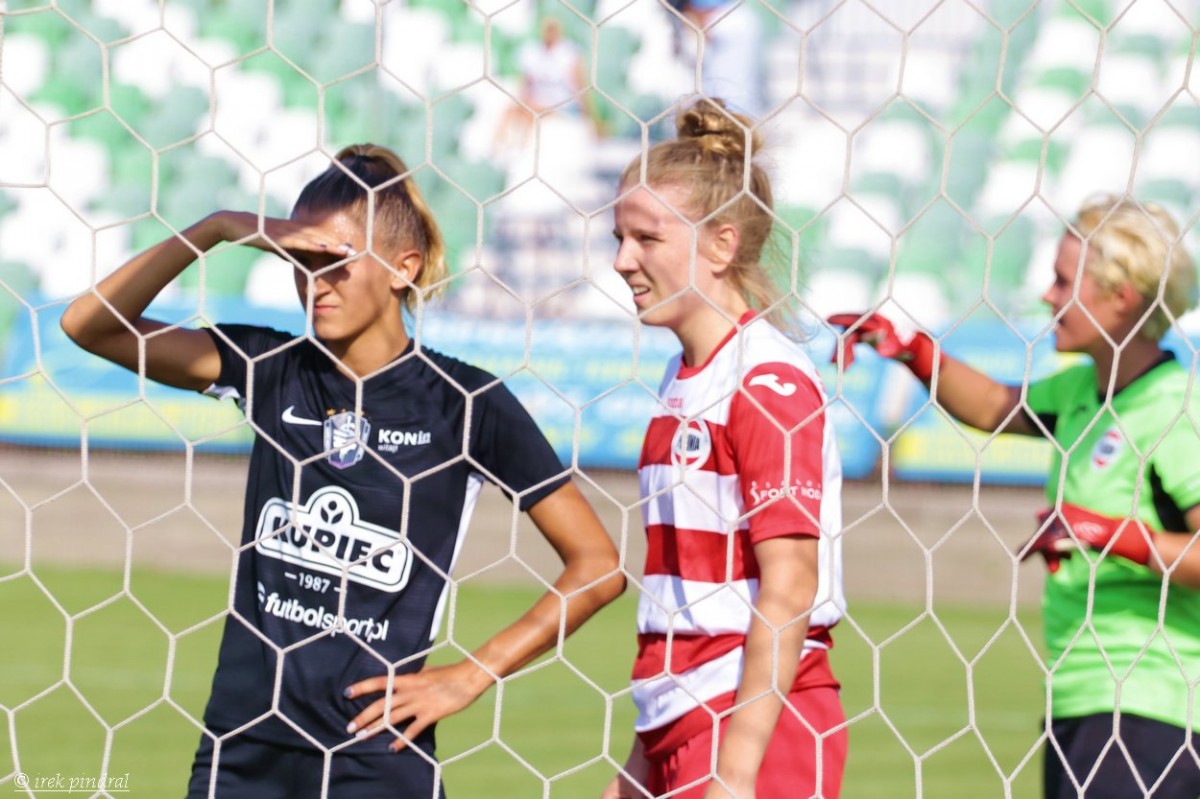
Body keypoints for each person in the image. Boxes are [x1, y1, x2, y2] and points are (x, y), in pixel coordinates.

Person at [60, 143, 625, 798]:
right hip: (243, 748)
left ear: (402, 268)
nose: (315, 282)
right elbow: (88, 325)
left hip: (375, 755)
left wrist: (471, 675)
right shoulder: (270, 368)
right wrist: (216, 228)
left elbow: (598, 566)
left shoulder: (464, 402)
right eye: (301, 260)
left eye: (335, 262)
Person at [830, 195, 1200, 799]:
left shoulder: (1177, 411)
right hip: (1080, 695)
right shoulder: (1082, 391)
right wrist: (913, 350)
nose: (1048, 297)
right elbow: (992, 406)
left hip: (1154, 699)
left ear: (1121, 297)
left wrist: (1111, 535)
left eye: (1063, 282)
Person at [602, 99, 847, 799]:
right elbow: (685, 598)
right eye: (619, 237)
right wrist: (639, 769)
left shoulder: (766, 380)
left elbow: (790, 583)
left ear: (721, 245)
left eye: (646, 238)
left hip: (758, 729)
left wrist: (735, 774)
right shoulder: (683, 377)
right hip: (682, 718)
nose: (622, 261)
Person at [493, 17, 605, 156]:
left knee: (531, 113)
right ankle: (497, 148)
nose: (550, 33)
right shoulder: (533, 52)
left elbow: (580, 86)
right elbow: (526, 84)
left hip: (562, 104)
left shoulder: (569, 54)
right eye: (547, 29)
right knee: (510, 111)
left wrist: (589, 116)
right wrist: (521, 101)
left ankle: (522, 149)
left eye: (553, 29)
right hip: (537, 101)